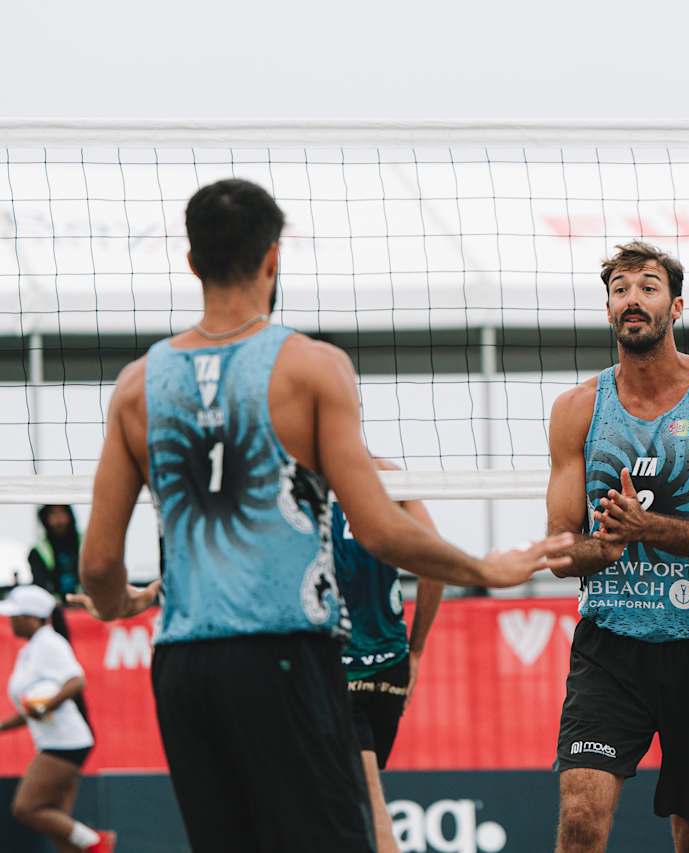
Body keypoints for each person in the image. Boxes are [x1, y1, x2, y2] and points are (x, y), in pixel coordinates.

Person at [72, 178, 573, 853]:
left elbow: (98, 564)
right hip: (284, 654)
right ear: (272, 257)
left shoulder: (137, 385)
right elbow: (380, 528)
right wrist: (487, 568)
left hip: (184, 666)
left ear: (191, 262)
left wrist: (124, 602)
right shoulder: (310, 368)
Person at [545, 242, 689, 853]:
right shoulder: (577, 408)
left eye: (647, 286)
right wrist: (603, 548)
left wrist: (647, 528)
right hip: (611, 643)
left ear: (676, 306)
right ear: (608, 309)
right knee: (581, 819)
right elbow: (561, 550)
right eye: (620, 289)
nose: (632, 299)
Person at [333, 460, 446, 853]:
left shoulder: (301, 477)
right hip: (390, 670)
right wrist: (416, 651)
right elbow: (436, 565)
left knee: (367, 806)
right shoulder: (390, 477)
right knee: (348, 804)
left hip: (336, 671)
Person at [0, 585, 114, 853]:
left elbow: (76, 681)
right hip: (58, 741)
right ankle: (84, 845)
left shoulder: (49, 644)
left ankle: (95, 841)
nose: (10, 621)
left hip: (65, 743)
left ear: (31, 617)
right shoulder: (32, 649)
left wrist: (46, 706)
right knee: (58, 822)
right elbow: (32, 710)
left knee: (26, 807)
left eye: (15, 616)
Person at [28, 505, 81, 641]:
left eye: (61, 513)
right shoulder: (38, 551)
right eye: (53, 514)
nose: (58, 520)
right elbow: (40, 585)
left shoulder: (86, 542)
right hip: (56, 614)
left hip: (86, 608)